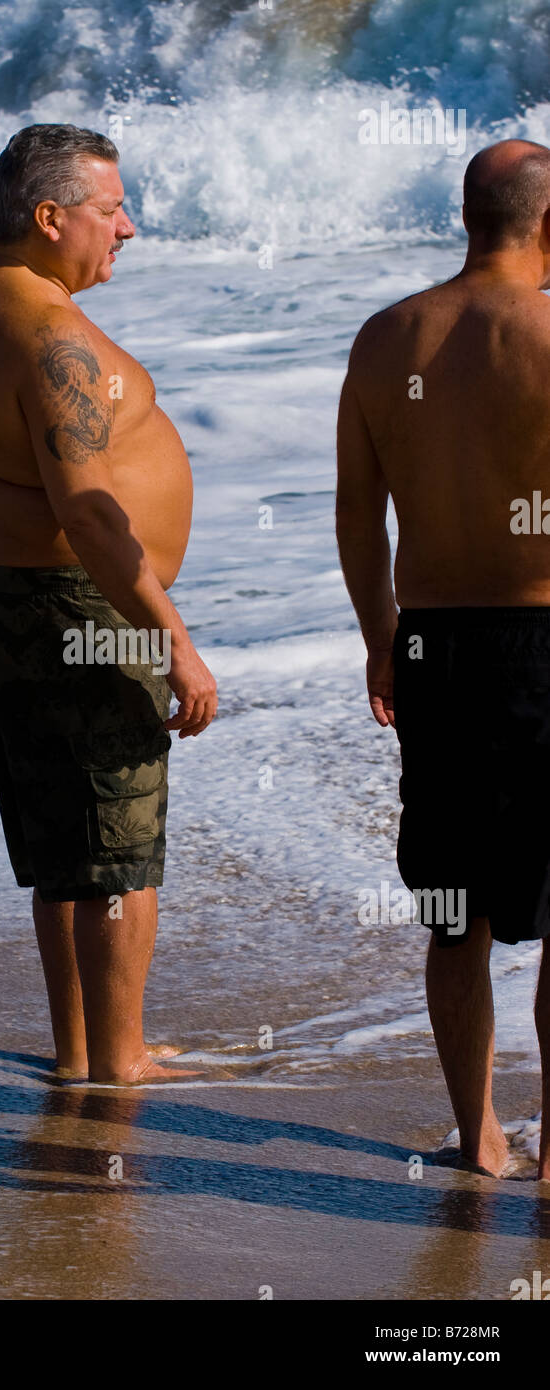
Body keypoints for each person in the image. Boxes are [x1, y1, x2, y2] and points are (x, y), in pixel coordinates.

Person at [0, 124, 217, 1086]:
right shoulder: (51, 337)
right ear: (50, 219)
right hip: (87, 609)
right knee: (119, 848)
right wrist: (170, 637)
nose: (127, 228)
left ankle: (82, 1049)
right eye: (111, 208)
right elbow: (90, 516)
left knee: (60, 841)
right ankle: (121, 1065)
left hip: (5, 596)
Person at [337, 139, 550, 1180]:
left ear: (466, 217)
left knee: (451, 909)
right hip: (541, 637)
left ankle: (477, 1135)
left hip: (432, 642)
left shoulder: (386, 338)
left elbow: (353, 512)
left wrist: (382, 639)